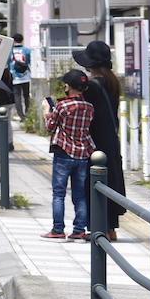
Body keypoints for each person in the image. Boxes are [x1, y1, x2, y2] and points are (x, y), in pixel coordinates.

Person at [74, 41, 128, 240]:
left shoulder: (91, 86)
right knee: (110, 180)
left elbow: (84, 114)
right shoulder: (111, 82)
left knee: (94, 182)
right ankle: (111, 227)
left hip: (94, 142)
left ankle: (99, 228)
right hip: (111, 139)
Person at [42, 72, 95, 240]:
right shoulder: (89, 107)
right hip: (82, 155)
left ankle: (58, 229)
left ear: (68, 86)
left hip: (63, 153)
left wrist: (46, 111)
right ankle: (79, 229)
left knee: (59, 194)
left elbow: (50, 127)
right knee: (79, 195)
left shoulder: (62, 106)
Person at [7, 36, 32, 112]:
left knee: (17, 96)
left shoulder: (10, 51)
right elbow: (28, 61)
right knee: (26, 96)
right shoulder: (27, 50)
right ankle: (27, 113)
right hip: (26, 76)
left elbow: (8, 62)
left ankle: (21, 116)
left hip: (15, 77)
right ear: (22, 40)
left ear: (14, 41)